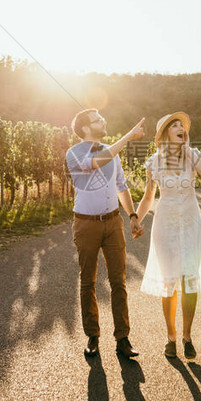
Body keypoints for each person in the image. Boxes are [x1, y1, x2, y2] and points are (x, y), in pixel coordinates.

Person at [66, 108, 146, 359]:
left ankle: (122, 338)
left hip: (113, 223)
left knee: (118, 281)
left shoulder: (113, 151)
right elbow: (98, 161)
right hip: (86, 224)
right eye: (98, 119)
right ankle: (93, 336)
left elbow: (121, 186)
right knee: (88, 281)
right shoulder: (75, 153)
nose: (104, 120)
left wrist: (132, 216)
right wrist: (128, 137)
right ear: (87, 128)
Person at [133, 112, 201, 360]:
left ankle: (187, 336)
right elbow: (148, 197)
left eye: (183, 126)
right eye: (175, 126)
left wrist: (189, 151)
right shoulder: (153, 162)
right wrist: (136, 218)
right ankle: (171, 337)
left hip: (190, 223)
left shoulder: (193, 156)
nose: (181, 128)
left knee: (189, 280)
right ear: (165, 133)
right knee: (169, 283)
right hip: (165, 225)